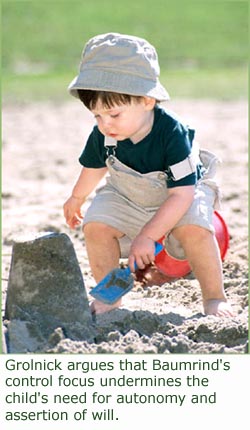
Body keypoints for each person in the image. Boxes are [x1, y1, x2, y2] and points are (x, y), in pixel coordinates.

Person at [63, 32, 234, 317]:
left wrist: (148, 236)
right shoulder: (104, 135)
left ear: (146, 100)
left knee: (195, 230)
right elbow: (95, 166)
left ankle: (214, 297)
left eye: (114, 115)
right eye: (97, 116)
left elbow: (182, 194)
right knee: (95, 225)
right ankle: (110, 294)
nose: (105, 124)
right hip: (129, 195)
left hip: (181, 196)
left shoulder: (171, 133)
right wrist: (77, 197)